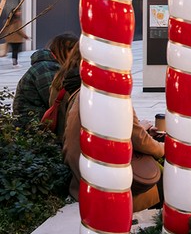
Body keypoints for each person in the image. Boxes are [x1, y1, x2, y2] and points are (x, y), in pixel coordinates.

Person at [56, 49, 165, 212]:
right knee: (166, 177)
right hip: (108, 186)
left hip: (81, 181)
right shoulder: (112, 94)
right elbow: (139, 140)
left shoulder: (82, 93)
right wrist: (163, 148)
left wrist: (141, 129)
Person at [12, 32, 78, 127]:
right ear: (64, 51)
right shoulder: (47, 68)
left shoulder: (50, 65)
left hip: (35, 125)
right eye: (75, 52)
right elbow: (57, 101)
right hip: (32, 128)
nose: (77, 56)